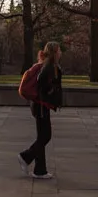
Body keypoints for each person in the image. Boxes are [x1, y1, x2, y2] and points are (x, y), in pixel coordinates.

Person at [17, 42, 63, 180]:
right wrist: (50, 91)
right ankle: (25, 156)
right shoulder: (48, 66)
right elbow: (42, 81)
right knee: (45, 136)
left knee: (42, 137)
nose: (61, 53)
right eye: (59, 50)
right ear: (54, 52)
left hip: (41, 105)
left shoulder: (47, 65)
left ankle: (40, 170)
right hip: (41, 105)